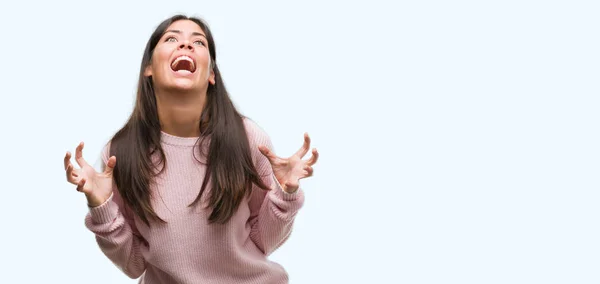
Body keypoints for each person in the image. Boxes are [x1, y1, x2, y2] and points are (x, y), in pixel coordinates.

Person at [62, 14, 318, 284]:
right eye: (172, 38)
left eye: (199, 42)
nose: (185, 45)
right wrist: (101, 206)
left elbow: (262, 241)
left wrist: (286, 194)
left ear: (211, 75)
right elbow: (134, 264)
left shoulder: (246, 138)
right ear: (148, 67)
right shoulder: (121, 152)